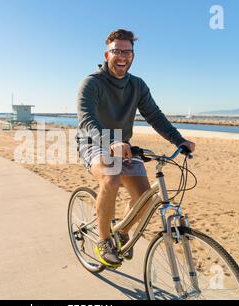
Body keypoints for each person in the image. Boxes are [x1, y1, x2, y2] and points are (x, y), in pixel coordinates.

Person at [75, 29, 195, 268]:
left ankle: (121, 233)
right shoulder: (92, 83)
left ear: (133, 54)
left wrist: (178, 140)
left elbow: (155, 116)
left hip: (123, 146)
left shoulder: (137, 85)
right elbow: (87, 119)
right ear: (107, 54)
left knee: (145, 198)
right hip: (93, 143)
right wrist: (110, 143)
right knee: (110, 177)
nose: (122, 56)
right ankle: (104, 240)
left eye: (127, 51)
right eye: (116, 51)